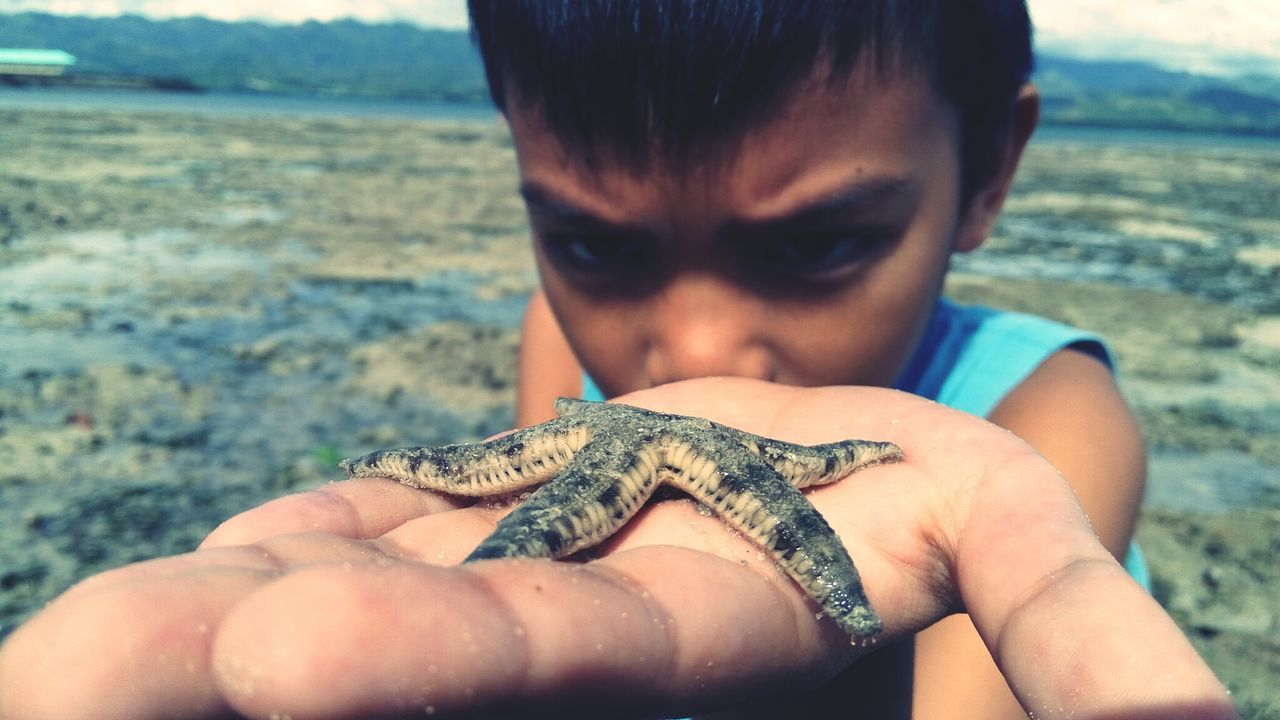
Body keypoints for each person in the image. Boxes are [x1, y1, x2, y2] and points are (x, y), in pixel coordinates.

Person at [0, 2, 1236, 719]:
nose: (691, 353)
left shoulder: (1037, 431)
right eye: (593, 242)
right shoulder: (561, 366)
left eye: (817, 242)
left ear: (991, 171)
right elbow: (527, 548)